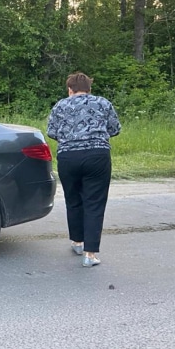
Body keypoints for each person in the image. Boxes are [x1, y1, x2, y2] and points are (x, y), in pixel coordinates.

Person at [46, 72, 121, 267]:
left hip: (68, 157)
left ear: (69, 89)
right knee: (94, 202)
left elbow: (52, 132)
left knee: (73, 199)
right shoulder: (103, 103)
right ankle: (90, 254)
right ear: (90, 88)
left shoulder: (60, 105)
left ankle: (77, 242)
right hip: (97, 156)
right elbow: (115, 129)